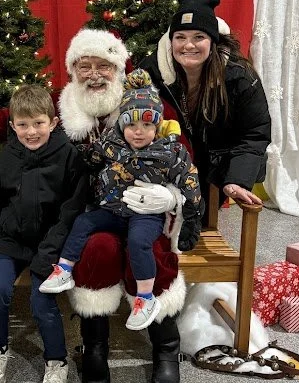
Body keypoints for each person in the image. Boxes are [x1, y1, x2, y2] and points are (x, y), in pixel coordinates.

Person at [0, 29, 189, 383]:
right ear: (73, 71)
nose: (94, 74)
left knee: (153, 253)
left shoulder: (145, 104)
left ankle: (165, 347)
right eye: (84, 66)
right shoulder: (63, 106)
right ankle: (94, 347)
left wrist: (169, 196)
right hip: (91, 214)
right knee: (98, 251)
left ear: (119, 68)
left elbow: (183, 160)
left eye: (103, 66)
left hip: (145, 210)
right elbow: (3, 121)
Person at [40, 69, 203, 334]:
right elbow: (88, 159)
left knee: (140, 243)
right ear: (122, 124)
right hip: (113, 210)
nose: (139, 132)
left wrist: (185, 213)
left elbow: (191, 183)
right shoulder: (112, 142)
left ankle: (145, 298)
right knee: (84, 223)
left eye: (147, 125)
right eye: (132, 125)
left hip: (145, 214)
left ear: (157, 125)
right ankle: (64, 269)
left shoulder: (169, 150)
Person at [0, 84, 89, 383]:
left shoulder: (69, 156)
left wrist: (48, 255)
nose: (31, 131)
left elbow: (71, 212)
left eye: (39, 123)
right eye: (23, 125)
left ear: (53, 122)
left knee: (41, 300)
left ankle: (56, 361)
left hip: (50, 243)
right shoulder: (8, 155)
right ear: (12, 126)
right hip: (12, 239)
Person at [138, 0, 271, 209]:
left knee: (192, 224)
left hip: (214, 176)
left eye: (198, 36)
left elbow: (254, 134)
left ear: (212, 41)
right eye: (180, 37)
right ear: (171, 42)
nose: (188, 45)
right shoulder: (150, 72)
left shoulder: (239, 78)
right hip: (163, 171)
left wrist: (237, 179)